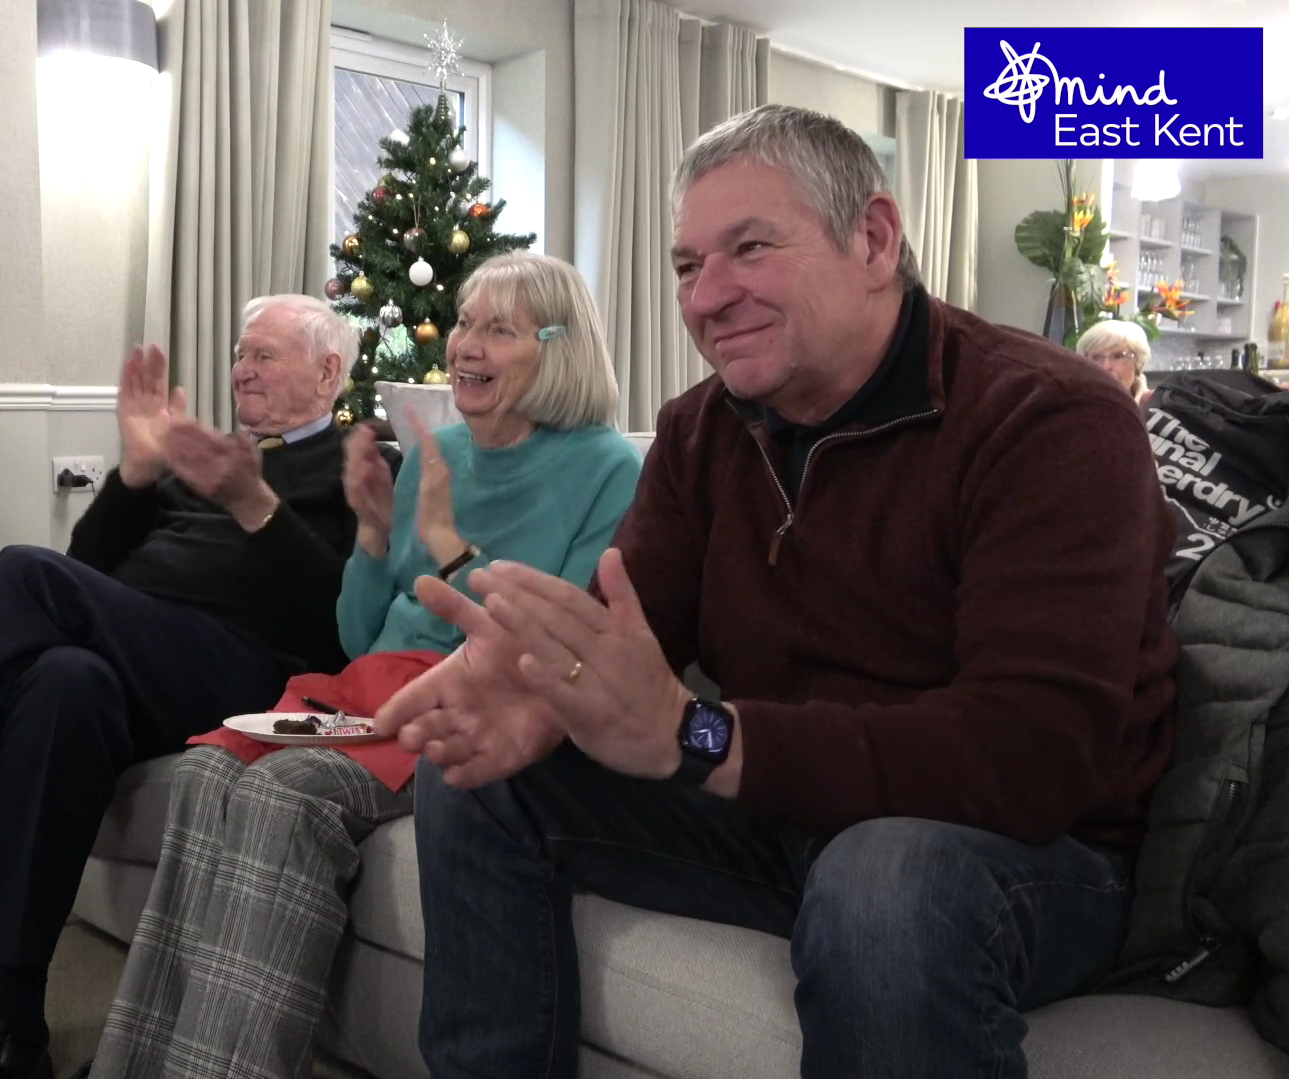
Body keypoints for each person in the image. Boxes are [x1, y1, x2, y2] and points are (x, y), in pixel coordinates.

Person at [377, 104, 1178, 1079]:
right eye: (684, 266)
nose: (706, 295)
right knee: (480, 769)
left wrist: (701, 734)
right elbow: (626, 635)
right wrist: (540, 676)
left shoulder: (1049, 420)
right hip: (780, 809)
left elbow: (1032, 757)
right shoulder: (700, 430)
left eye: (747, 247)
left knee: (882, 876)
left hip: (1025, 852)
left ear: (873, 239)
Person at [0, 294, 377, 1079]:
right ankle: (9, 1021)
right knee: (61, 683)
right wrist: (141, 470)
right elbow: (86, 567)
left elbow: (340, 618)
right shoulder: (202, 452)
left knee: (21, 572)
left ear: (327, 371)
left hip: (247, 668)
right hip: (134, 654)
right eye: (240, 354)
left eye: (266, 355)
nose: (242, 370)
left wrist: (254, 503)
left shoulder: (361, 462)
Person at [89, 252, 643, 1079]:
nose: (464, 344)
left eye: (499, 328)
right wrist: (377, 539)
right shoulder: (430, 450)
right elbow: (356, 636)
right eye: (463, 322)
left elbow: (547, 652)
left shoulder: (610, 468)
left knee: (287, 793)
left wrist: (451, 547)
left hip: (466, 703)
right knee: (206, 772)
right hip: (367, 689)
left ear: (558, 349)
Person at [1075, 318, 1154, 404]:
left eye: (1118, 356)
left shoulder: (1156, 407)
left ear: (1138, 362)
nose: (1106, 366)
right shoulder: (1070, 406)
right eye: (1096, 358)